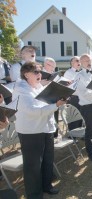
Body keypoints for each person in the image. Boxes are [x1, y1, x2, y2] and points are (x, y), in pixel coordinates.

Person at [12, 61, 66, 198]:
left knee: (48, 160)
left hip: (45, 129)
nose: (39, 74)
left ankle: (46, 186)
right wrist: (56, 105)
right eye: (36, 72)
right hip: (31, 132)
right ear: (26, 74)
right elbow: (33, 111)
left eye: (40, 72)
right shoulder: (20, 90)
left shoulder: (37, 87)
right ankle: (34, 194)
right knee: (33, 166)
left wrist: (59, 97)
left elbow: (45, 103)